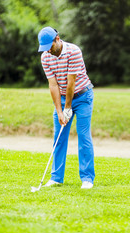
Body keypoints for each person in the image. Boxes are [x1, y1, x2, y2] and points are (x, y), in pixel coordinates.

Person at [37, 26, 95, 189]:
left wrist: (68, 108)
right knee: (59, 137)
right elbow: (53, 85)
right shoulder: (45, 58)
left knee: (83, 136)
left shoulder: (73, 51)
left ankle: (87, 178)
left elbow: (71, 83)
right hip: (62, 98)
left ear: (57, 39)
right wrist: (59, 110)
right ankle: (56, 178)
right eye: (45, 48)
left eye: (50, 47)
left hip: (83, 96)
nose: (48, 51)